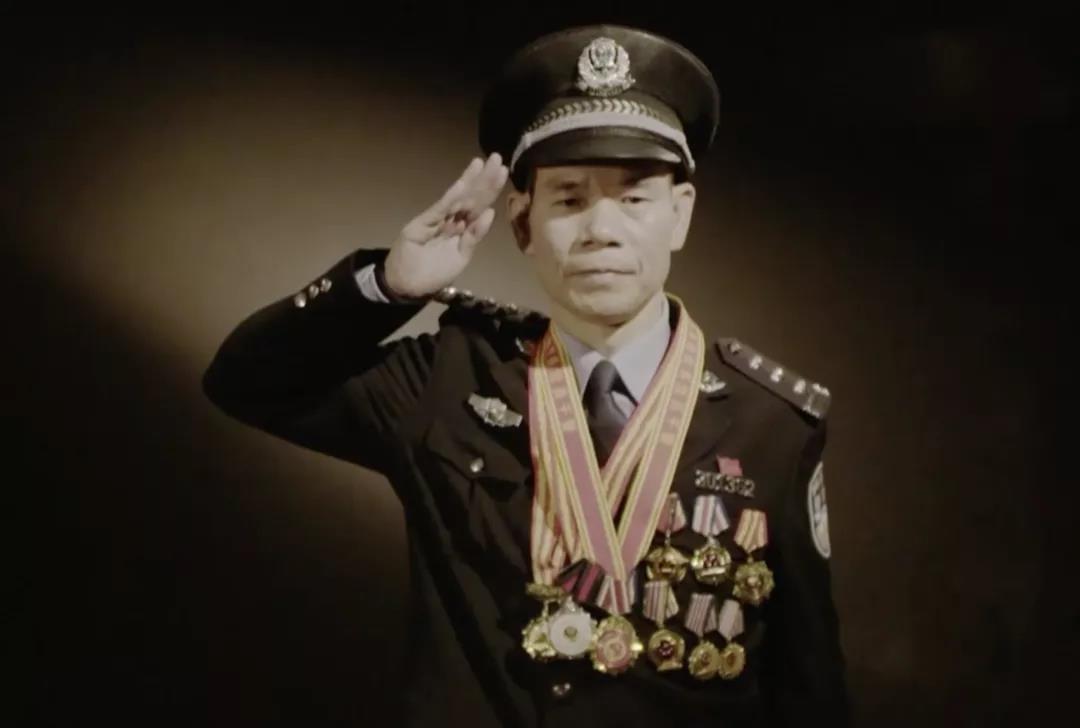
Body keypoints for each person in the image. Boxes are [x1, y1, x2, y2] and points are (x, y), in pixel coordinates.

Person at [203, 23, 849, 728]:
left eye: (634, 198)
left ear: (679, 215)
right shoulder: (449, 379)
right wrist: (388, 286)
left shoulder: (770, 424)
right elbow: (247, 382)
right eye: (569, 198)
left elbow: (808, 687)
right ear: (521, 222)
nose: (601, 229)